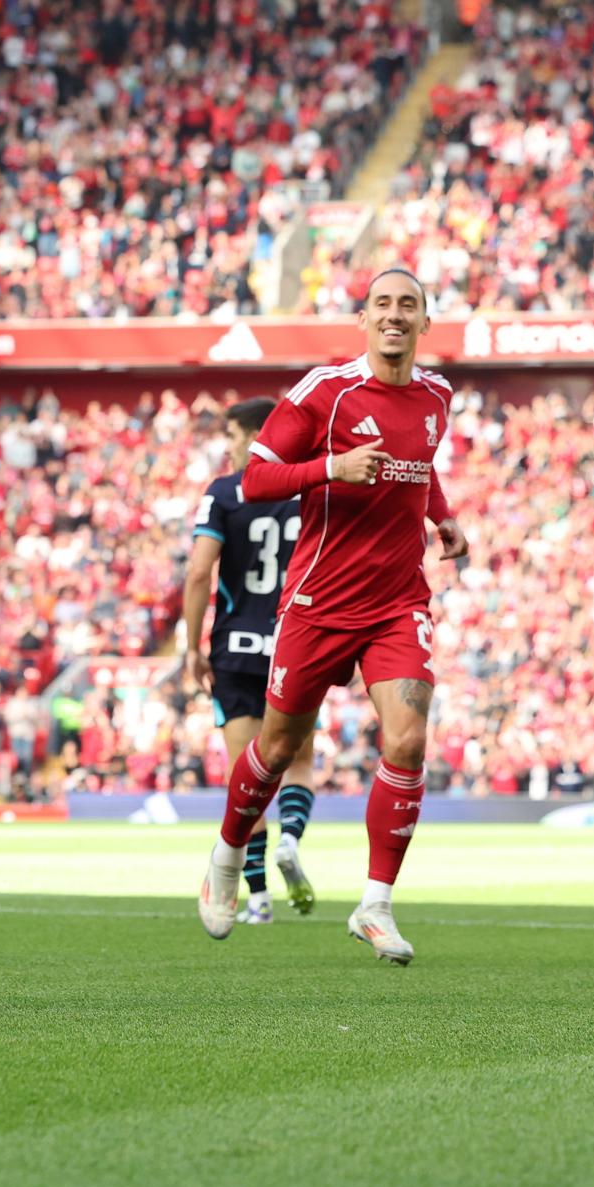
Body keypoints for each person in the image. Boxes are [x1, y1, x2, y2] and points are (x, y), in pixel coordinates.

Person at [197, 269, 469, 964]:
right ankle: (227, 855)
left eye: (409, 305)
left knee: (407, 741)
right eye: (383, 304)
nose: (395, 315)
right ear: (364, 318)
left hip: (397, 602)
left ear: (424, 322)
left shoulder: (438, 395)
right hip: (319, 602)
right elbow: (254, 480)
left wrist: (443, 519)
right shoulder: (325, 390)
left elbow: (419, 463)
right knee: (280, 748)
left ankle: (375, 903)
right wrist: (330, 469)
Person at [181, 398, 318, 925]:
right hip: (297, 645)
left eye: (237, 435)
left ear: (262, 435)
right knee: (298, 763)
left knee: (249, 776)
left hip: (235, 649)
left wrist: (192, 647)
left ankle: (257, 899)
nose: (231, 446)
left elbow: (199, 574)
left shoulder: (223, 492)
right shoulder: (309, 492)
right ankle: (292, 841)